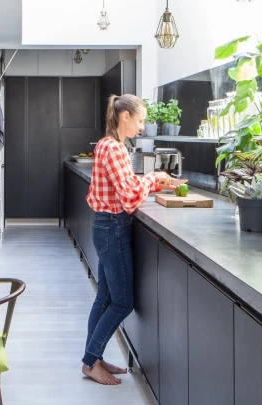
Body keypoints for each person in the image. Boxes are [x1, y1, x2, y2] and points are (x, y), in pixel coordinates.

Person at [82, 94, 181, 385]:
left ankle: (93, 357)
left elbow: (126, 187)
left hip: (107, 227)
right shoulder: (113, 149)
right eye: (139, 121)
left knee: (105, 298)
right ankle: (90, 361)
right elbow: (128, 197)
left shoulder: (111, 146)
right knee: (122, 303)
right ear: (125, 116)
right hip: (113, 228)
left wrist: (150, 179)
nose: (141, 127)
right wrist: (153, 179)